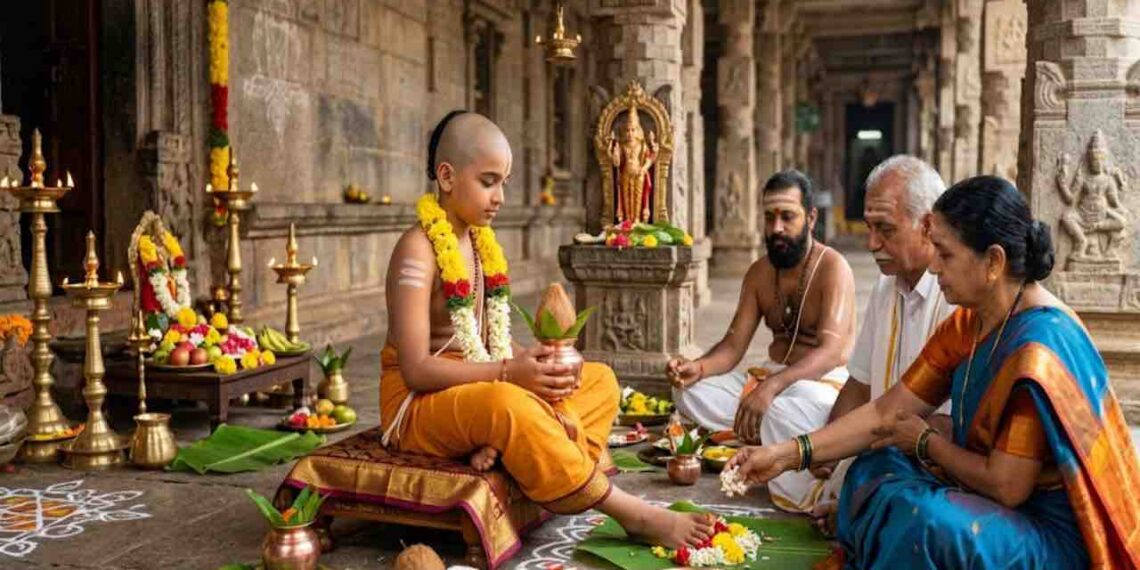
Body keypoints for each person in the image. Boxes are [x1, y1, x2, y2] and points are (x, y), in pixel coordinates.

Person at [727, 175, 1140, 569]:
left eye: (945, 254)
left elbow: (1007, 487)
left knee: (925, 522)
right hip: (982, 494)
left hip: (1042, 532)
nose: (935, 267)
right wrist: (784, 455)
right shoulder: (970, 322)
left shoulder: (1038, 350)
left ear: (993, 262)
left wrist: (927, 443)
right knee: (874, 465)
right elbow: (885, 413)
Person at [381, 110, 715, 548]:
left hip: (476, 386)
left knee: (598, 380)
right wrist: (508, 373)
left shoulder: (480, 243)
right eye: (488, 181)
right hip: (418, 405)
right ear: (446, 176)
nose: (500, 195)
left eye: (504, 182)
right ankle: (629, 512)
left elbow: (487, 341)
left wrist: (532, 363)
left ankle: (524, 451)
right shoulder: (417, 250)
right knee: (507, 403)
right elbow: (417, 371)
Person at [667, 169, 857, 513]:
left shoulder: (833, 267)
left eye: (788, 216)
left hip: (819, 385)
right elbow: (732, 346)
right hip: (769, 379)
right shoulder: (759, 272)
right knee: (688, 392)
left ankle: (794, 471)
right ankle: (768, 434)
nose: (777, 228)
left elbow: (831, 352)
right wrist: (697, 367)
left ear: (811, 218)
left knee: (781, 410)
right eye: (770, 217)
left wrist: (771, 389)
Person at [809, 156, 956, 526]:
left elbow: (945, 429)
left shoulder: (956, 299)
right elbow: (859, 384)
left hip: (924, 453)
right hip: (874, 436)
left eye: (885, 229)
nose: (872, 242)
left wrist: (837, 451)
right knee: (791, 430)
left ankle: (858, 502)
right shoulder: (884, 287)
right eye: (869, 227)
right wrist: (824, 449)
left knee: (892, 496)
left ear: (927, 226)